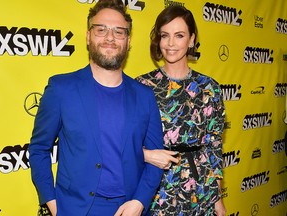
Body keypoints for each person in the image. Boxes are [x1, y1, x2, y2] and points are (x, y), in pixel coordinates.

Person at [28, 0, 164, 215]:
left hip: (130, 208)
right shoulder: (61, 89)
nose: (110, 37)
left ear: (128, 41)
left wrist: (140, 201)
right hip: (76, 208)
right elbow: (39, 149)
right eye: (101, 30)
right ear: (88, 36)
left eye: (119, 32)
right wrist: (55, 205)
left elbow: (157, 157)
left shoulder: (145, 96)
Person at [138, 5, 226, 216]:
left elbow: (214, 147)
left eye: (179, 35)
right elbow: (126, 143)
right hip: (157, 187)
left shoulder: (209, 87)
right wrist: (146, 155)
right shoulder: (142, 86)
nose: (170, 43)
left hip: (201, 187)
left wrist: (218, 200)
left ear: (191, 39)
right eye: (164, 35)